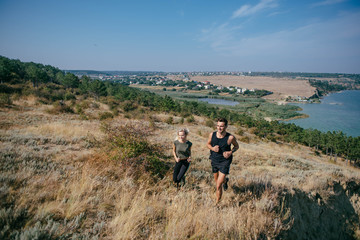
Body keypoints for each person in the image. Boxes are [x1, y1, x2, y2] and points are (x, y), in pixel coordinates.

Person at [207, 118, 239, 204]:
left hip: (225, 161)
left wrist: (230, 152)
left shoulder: (230, 137)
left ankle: (217, 203)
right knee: (217, 180)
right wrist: (213, 148)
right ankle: (225, 181)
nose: (219, 128)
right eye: (218, 126)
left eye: (221, 126)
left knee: (218, 185)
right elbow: (208, 144)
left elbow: (236, 146)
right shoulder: (212, 135)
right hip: (214, 160)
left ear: (226, 126)